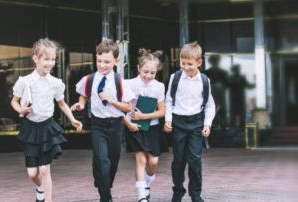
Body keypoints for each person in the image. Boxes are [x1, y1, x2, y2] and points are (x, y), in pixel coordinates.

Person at [11, 38, 83, 202]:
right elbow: (14, 101)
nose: (50, 63)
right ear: (36, 59)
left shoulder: (56, 83)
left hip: (47, 128)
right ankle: (40, 189)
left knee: (44, 169)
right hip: (30, 129)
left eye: (53, 59)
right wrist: (20, 109)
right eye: (46, 59)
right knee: (32, 173)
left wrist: (72, 119)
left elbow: (62, 104)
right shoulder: (25, 81)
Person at [71, 39, 134, 202]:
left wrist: (112, 101)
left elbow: (127, 108)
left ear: (116, 61)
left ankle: (103, 183)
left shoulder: (120, 81)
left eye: (107, 61)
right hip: (98, 125)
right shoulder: (89, 79)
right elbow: (83, 94)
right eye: (99, 61)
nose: (102, 65)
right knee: (101, 160)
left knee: (112, 161)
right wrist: (81, 104)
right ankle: (106, 197)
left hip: (116, 125)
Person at [164, 42, 215, 202]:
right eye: (183, 63)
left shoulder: (205, 81)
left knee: (195, 160)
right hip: (178, 122)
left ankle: (195, 194)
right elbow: (169, 100)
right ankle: (178, 191)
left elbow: (209, 105)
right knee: (179, 160)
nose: (185, 67)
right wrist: (168, 120)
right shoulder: (175, 78)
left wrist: (207, 124)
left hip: (196, 123)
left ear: (199, 62)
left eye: (189, 64)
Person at [123, 49, 167, 202]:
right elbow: (122, 108)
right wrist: (128, 122)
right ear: (138, 68)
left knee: (153, 162)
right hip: (134, 127)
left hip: (152, 126)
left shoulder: (159, 87)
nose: (148, 76)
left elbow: (161, 111)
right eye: (145, 71)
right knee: (141, 160)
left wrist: (144, 116)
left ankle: (147, 183)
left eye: (152, 73)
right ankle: (142, 196)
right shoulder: (128, 84)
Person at [204, 55, 229, 129]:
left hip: (220, 95)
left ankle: (223, 125)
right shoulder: (206, 73)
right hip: (211, 95)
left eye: (216, 61)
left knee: (222, 110)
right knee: (211, 109)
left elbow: (227, 84)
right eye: (214, 61)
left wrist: (220, 86)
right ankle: (213, 125)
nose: (215, 63)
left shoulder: (223, 73)